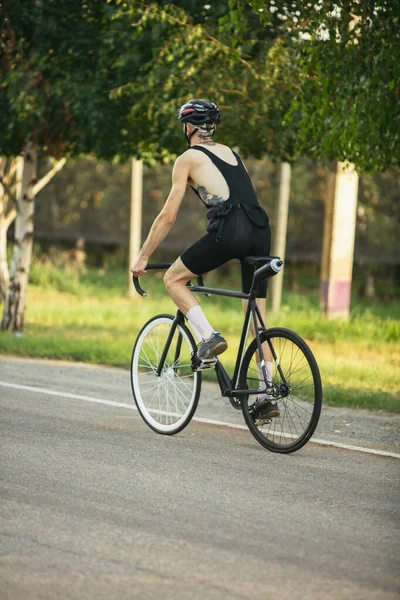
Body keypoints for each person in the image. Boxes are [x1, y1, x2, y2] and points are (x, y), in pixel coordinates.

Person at [131, 99, 279, 420]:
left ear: (189, 127)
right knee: (256, 318)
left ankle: (209, 337)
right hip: (261, 229)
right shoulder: (231, 153)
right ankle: (267, 395)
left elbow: (167, 217)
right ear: (211, 127)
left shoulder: (187, 158)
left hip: (232, 229)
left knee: (172, 278)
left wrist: (143, 257)